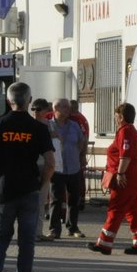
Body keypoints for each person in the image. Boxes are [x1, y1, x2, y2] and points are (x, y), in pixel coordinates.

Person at [0, 81, 55, 272]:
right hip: (29, 189)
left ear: (8, 101)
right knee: (27, 243)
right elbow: (50, 162)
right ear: (29, 101)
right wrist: (42, 184)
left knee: (0, 238)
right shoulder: (39, 128)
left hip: (4, 190)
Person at [90, 102, 137, 255]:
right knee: (134, 210)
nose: (115, 120)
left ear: (121, 117)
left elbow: (125, 155)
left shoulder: (125, 131)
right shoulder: (134, 132)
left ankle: (104, 243)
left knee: (115, 209)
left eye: (116, 117)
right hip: (135, 177)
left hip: (125, 177)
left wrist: (120, 174)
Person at [45, 98, 87, 240]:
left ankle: (72, 227)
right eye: (64, 107)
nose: (68, 110)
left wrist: (79, 154)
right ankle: (54, 229)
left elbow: (81, 140)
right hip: (56, 168)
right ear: (55, 109)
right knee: (56, 200)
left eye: (68, 107)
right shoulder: (48, 126)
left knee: (74, 199)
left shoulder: (74, 125)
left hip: (73, 167)